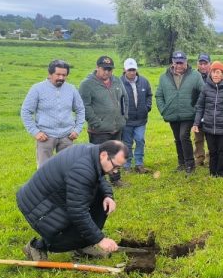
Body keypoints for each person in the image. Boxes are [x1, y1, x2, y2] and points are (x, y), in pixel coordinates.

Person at [18, 141, 127, 261]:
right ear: (104, 155)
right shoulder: (81, 169)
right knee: (65, 229)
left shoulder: (94, 152)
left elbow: (99, 175)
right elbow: (78, 212)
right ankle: (36, 247)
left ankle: (83, 245)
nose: (115, 171)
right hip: (38, 203)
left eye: (119, 168)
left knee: (100, 200)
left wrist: (107, 195)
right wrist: (99, 239)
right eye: (115, 166)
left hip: (57, 194)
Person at [20, 59, 85, 168]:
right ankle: (44, 185)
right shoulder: (37, 89)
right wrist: (35, 132)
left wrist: (77, 129)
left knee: (67, 167)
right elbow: (25, 111)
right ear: (50, 74)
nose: (61, 78)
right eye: (58, 74)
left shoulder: (71, 89)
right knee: (44, 169)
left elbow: (80, 110)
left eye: (64, 75)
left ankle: (63, 185)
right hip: (45, 136)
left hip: (67, 136)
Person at [79, 56, 128, 187]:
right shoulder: (87, 84)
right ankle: (100, 183)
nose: (107, 72)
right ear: (97, 67)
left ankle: (116, 179)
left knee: (116, 154)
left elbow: (125, 99)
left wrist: (124, 117)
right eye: (104, 69)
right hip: (99, 130)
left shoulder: (117, 81)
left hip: (117, 126)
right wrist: (96, 122)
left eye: (109, 69)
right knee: (100, 156)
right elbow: (85, 106)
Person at [155, 51, 204, 174]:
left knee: (183, 136)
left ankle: (190, 165)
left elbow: (203, 93)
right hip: (172, 113)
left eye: (181, 62)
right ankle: (181, 163)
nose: (179, 65)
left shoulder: (195, 75)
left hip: (189, 113)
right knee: (177, 139)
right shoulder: (164, 77)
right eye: (176, 63)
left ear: (186, 62)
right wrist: (163, 109)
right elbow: (159, 95)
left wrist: (196, 108)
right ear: (172, 62)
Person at [192, 61, 223, 177]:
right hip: (209, 126)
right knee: (212, 151)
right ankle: (212, 173)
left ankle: (221, 173)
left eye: (218, 72)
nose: (215, 75)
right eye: (213, 72)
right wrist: (196, 123)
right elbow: (200, 107)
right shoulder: (205, 88)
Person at [121, 58, 152, 173]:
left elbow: (149, 95)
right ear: (124, 70)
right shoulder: (119, 82)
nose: (132, 72)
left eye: (133, 70)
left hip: (141, 119)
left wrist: (147, 107)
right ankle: (127, 165)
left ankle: (139, 164)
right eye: (129, 70)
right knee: (127, 143)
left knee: (140, 140)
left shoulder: (144, 81)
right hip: (126, 120)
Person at [193, 53, 211, 166]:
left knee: (210, 136)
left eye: (205, 63)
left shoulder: (214, 75)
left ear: (210, 64)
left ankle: (210, 157)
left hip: (210, 111)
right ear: (197, 64)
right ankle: (199, 157)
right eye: (201, 63)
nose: (203, 66)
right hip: (197, 111)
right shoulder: (193, 76)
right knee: (198, 137)